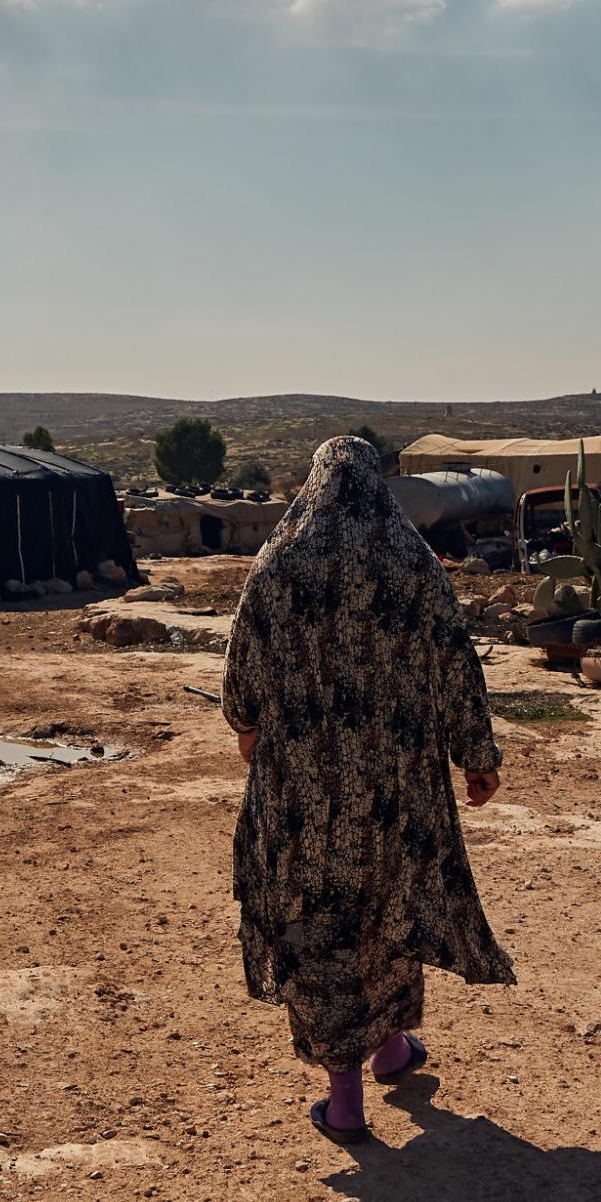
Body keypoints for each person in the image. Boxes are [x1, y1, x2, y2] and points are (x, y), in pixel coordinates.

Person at [221, 435, 514, 1146]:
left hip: (300, 792)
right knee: (389, 907)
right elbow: (452, 659)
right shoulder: (409, 558)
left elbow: (243, 658)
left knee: (318, 923)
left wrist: (247, 722)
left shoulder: (282, 559)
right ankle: (386, 1049)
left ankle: (350, 1091)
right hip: (396, 790)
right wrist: (475, 755)